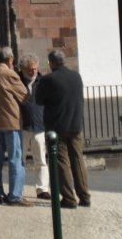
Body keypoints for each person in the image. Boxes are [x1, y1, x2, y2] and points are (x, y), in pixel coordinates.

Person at [36, 49, 90, 208]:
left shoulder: (48, 79)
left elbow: (39, 100)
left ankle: (68, 198)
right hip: (75, 125)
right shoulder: (76, 76)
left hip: (57, 127)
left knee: (61, 163)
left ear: (51, 63)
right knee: (78, 160)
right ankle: (85, 196)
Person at [0, 45, 30, 205]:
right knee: (15, 158)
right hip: (10, 122)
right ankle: (15, 195)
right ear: (10, 59)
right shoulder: (9, 74)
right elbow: (25, 96)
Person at [19, 53, 50, 200]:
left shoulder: (42, 81)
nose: (33, 71)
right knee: (20, 160)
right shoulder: (17, 81)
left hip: (39, 126)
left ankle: (42, 189)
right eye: (30, 69)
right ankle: (18, 188)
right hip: (22, 126)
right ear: (23, 69)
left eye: (35, 69)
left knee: (41, 160)